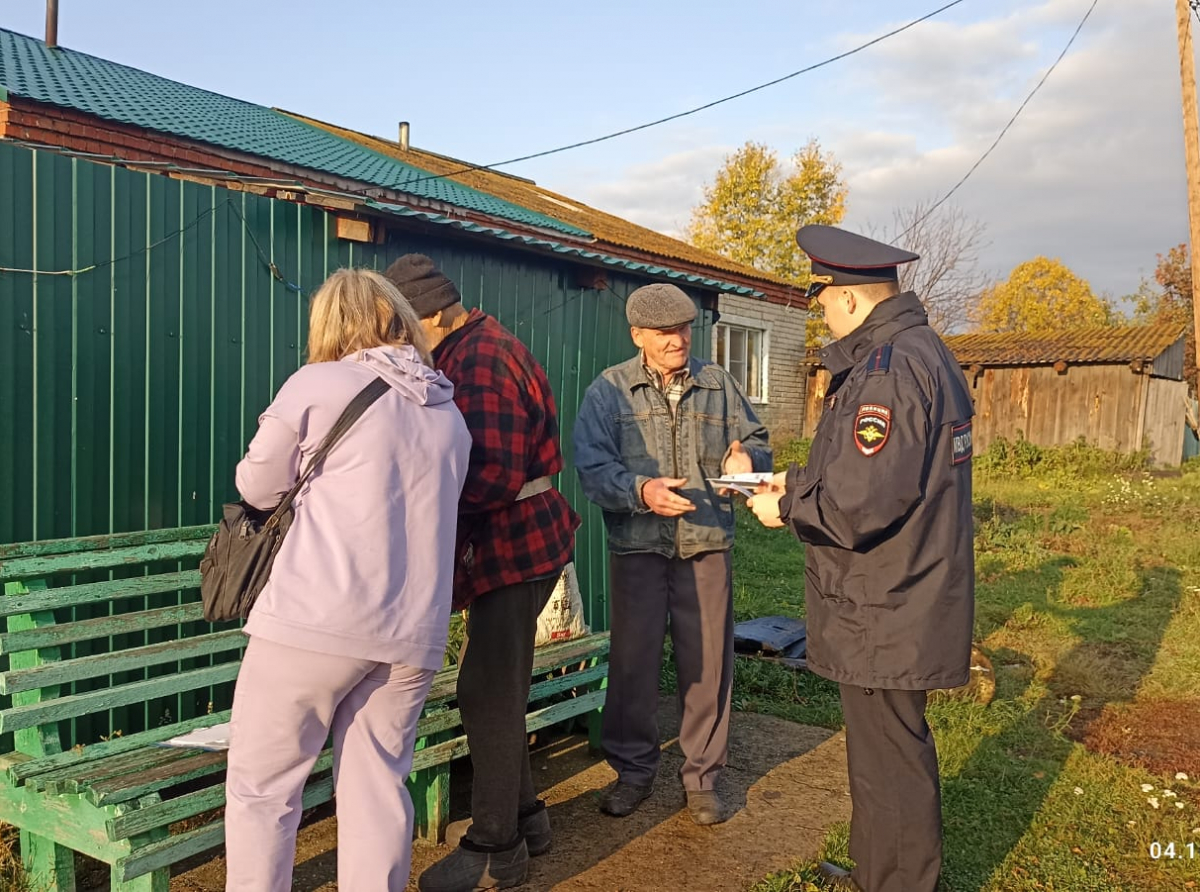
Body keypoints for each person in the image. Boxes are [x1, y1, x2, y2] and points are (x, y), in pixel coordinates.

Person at [223, 268, 471, 892]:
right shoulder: (448, 413)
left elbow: (256, 486)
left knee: (264, 787)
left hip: (315, 619)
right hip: (411, 633)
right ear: (398, 319)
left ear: (330, 324)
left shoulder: (318, 383)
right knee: (378, 788)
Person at [746, 224, 976, 892]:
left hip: (887, 601)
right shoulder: (920, 352)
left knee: (892, 764)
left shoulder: (889, 370)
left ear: (848, 298)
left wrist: (783, 509)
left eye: (822, 301)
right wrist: (792, 482)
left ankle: (899, 884)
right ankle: (879, 875)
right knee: (879, 759)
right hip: (900, 592)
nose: (822, 312)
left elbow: (860, 504)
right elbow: (873, 475)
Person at [382, 255, 581, 892]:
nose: (401, 338)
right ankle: (529, 817)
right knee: (492, 687)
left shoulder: (477, 362)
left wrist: (417, 506)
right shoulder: (479, 345)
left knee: (488, 691)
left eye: (406, 324)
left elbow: (491, 474)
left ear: (435, 314)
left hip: (513, 542)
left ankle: (495, 846)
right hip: (523, 540)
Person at [572, 282, 772, 826]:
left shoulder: (719, 383)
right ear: (637, 335)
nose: (677, 340)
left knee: (707, 663)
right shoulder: (608, 391)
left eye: (684, 328)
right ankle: (633, 772)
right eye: (664, 332)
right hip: (637, 547)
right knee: (633, 664)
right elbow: (591, 468)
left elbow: (758, 437)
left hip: (707, 545)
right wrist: (640, 491)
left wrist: (745, 457)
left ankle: (703, 779)